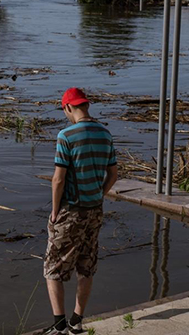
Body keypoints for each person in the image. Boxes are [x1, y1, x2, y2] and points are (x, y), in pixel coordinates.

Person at [41, 88, 118, 335]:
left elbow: (58, 179)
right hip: (94, 210)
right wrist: (99, 194)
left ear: (67, 107)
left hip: (71, 210)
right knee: (86, 265)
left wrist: (55, 211)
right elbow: (113, 174)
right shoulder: (105, 134)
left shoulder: (66, 136)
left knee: (53, 268)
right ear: (86, 105)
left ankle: (59, 325)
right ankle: (77, 321)